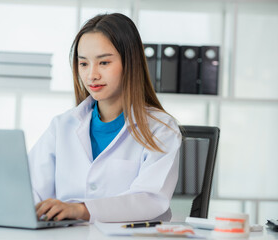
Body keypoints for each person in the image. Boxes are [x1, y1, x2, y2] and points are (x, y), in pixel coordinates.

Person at [28, 13, 181, 223]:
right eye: (83, 64)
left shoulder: (161, 129)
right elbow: (31, 189)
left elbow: (150, 199)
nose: (92, 75)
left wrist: (82, 210)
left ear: (130, 63)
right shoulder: (61, 126)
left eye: (104, 62)